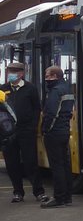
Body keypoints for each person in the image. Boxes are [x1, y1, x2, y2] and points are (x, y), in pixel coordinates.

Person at [1, 61, 48, 204]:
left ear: (21, 74)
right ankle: (18, 192)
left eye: (14, 71)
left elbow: (36, 109)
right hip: (8, 133)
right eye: (9, 71)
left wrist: (32, 126)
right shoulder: (3, 89)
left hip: (26, 131)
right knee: (12, 163)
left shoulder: (30, 88)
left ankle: (38, 192)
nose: (10, 74)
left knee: (30, 162)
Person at [40, 65, 74, 207]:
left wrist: (45, 129)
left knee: (57, 166)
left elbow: (51, 114)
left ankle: (58, 197)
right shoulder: (67, 89)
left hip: (54, 132)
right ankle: (67, 197)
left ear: (54, 76)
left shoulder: (55, 91)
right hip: (64, 130)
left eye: (47, 76)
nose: (46, 79)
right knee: (65, 165)